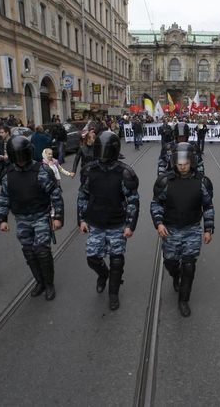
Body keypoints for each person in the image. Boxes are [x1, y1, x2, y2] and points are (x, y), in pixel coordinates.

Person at [150, 143, 214, 317]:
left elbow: (208, 206)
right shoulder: (165, 181)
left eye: (186, 162)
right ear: (174, 162)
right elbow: (156, 204)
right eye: (179, 162)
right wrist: (159, 223)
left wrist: (208, 228)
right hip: (170, 229)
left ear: (191, 161)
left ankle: (183, 300)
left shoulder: (201, 182)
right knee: (171, 262)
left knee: (189, 265)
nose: (183, 165)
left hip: (192, 229)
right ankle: (175, 275)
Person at [78, 131, 139, 311]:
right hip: (95, 222)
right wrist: (81, 219)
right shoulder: (90, 170)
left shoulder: (124, 172)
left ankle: (113, 293)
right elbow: (83, 196)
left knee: (117, 260)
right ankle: (103, 275)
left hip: (116, 223)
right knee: (92, 258)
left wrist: (130, 225)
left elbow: (133, 201)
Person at [0, 136, 64, 301]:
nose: (20, 161)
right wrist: (2, 219)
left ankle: (49, 284)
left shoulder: (40, 171)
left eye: (22, 157)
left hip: (40, 216)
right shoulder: (8, 175)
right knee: (29, 252)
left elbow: (55, 195)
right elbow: (4, 198)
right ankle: (39, 281)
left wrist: (58, 217)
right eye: (16, 157)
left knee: (42, 251)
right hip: (21, 218)